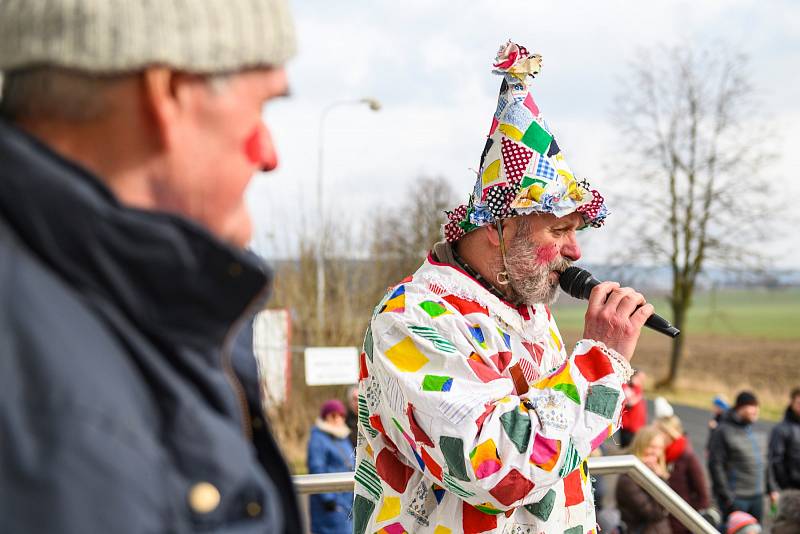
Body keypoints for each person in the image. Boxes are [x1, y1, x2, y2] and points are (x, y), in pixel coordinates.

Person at [0, 1, 302, 532]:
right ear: (168, 93)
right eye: (262, 107)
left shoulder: (111, 310)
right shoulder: (58, 413)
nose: (270, 153)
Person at [352, 41, 654, 533]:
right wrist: (601, 362)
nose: (575, 252)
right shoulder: (412, 318)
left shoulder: (527, 310)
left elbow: (557, 450)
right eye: (558, 231)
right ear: (498, 228)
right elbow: (493, 472)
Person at [708, 391, 765, 524]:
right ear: (740, 408)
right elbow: (715, 465)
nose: (756, 411)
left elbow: (762, 461)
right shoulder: (723, 431)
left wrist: (769, 488)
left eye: (757, 407)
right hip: (737, 498)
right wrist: (727, 498)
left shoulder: (753, 430)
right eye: (752, 406)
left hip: (757, 497)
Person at [657, 414, 711, 534]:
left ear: (669, 433)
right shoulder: (662, 454)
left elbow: (703, 495)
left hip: (682, 523)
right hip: (667, 520)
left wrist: (690, 520)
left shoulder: (686, 455)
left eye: (659, 432)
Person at [307, 399, 355, 534]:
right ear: (325, 417)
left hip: (347, 501)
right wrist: (328, 499)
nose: (338, 419)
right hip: (330, 505)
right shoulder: (318, 438)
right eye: (333, 415)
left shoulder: (342, 436)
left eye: (341, 415)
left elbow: (351, 461)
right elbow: (317, 468)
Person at [615, 425, 671, 534]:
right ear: (640, 446)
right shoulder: (628, 478)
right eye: (651, 447)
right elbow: (655, 513)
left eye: (659, 448)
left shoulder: (655, 472)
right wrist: (660, 479)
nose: (656, 452)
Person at [768, 387, 800, 492]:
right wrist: (785, 485)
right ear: (792, 403)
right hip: (791, 488)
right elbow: (776, 460)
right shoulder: (781, 429)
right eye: (799, 403)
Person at [620, 370, 648, 447]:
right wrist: (637, 387)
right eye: (640, 378)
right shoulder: (626, 387)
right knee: (626, 449)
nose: (641, 381)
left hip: (638, 427)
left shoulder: (638, 389)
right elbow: (631, 402)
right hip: (628, 427)